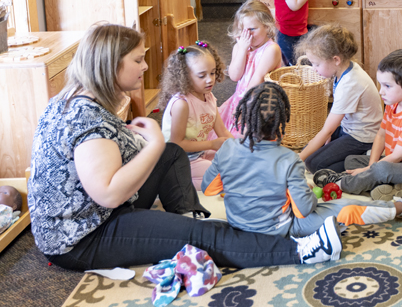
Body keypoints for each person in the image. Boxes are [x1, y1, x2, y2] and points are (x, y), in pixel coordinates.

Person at [27, 24, 342, 271]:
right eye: (137, 59)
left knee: (170, 154)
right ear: (110, 64)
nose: (144, 66)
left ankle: (182, 220)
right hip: (82, 238)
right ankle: (303, 251)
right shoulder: (86, 118)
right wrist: (152, 145)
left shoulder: (78, 98)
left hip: (98, 215)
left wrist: (154, 147)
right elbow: (108, 194)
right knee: (201, 234)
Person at [201, 82, 402, 238]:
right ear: (282, 122)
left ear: (245, 117)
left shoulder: (227, 149)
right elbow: (306, 209)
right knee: (346, 208)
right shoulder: (289, 160)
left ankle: (390, 192)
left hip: (239, 224)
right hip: (282, 228)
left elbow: (209, 188)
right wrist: (301, 191)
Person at [313, 49, 402, 201]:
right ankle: (389, 186)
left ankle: (341, 184)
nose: (381, 92)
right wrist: (370, 165)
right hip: (397, 162)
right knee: (352, 160)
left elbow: (398, 155)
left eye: (387, 86)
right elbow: (380, 135)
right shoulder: (392, 104)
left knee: (381, 168)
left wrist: (369, 169)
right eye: (380, 85)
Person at [296, 25, 382, 173]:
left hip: (363, 138)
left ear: (336, 59)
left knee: (313, 164)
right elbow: (331, 125)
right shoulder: (345, 68)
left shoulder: (350, 83)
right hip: (348, 127)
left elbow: (327, 130)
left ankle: (367, 159)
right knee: (309, 148)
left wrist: (295, 161)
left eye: (316, 64)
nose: (314, 68)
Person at [158, 41, 233, 189]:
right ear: (185, 76)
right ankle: (169, 183)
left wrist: (240, 150)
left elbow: (222, 131)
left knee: (235, 165)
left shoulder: (209, 95)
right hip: (179, 160)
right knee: (222, 178)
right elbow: (177, 144)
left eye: (212, 72)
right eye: (201, 75)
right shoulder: (181, 104)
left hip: (200, 153)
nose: (210, 79)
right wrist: (212, 144)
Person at [218, 0, 283, 136]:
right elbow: (235, 76)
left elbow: (257, 79)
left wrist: (243, 106)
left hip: (258, 104)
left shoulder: (271, 49)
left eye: (252, 29)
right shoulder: (240, 47)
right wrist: (241, 50)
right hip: (239, 99)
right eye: (243, 30)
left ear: (267, 26)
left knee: (247, 139)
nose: (247, 35)